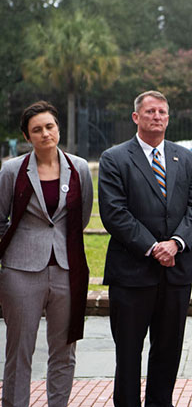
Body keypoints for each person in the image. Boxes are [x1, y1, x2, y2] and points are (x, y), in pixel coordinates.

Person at [98, 90, 192, 406]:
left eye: (162, 112)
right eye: (150, 112)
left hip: (176, 273)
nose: (157, 117)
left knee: (168, 351)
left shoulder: (184, 158)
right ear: (136, 117)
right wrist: (153, 246)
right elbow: (114, 212)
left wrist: (176, 243)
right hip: (132, 273)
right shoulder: (115, 158)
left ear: (168, 118)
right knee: (129, 353)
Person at [0, 101, 93, 407]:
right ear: (27, 137)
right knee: (19, 351)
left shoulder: (79, 167)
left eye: (49, 127)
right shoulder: (12, 170)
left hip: (67, 269)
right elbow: (0, 218)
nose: (45, 134)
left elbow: (82, 217)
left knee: (64, 351)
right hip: (21, 271)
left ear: (58, 128)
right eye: (36, 130)